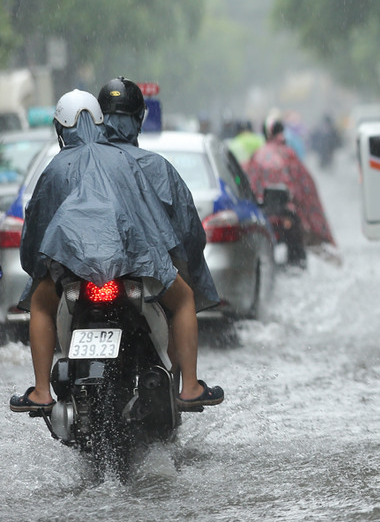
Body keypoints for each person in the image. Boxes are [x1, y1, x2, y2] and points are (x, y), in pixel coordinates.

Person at [9, 84, 224, 414]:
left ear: (60, 129)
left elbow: (36, 235)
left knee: (40, 303)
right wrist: (166, 260)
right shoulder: (128, 161)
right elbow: (156, 221)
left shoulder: (55, 168)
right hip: (135, 263)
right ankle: (191, 387)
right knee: (183, 299)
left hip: (72, 269)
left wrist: (37, 270)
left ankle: (41, 391)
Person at [245, 118, 340, 265]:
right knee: (297, 255)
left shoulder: (257, 156)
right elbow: (305, 187)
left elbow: (250, 185)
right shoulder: (289, 154)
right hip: (289, 214)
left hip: (264, 214)